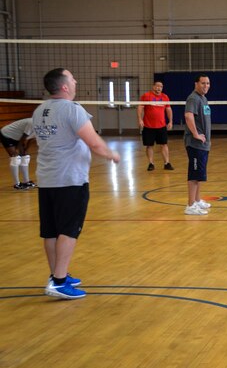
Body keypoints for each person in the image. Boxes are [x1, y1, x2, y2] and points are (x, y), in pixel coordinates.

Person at [34, 68, 121, 300]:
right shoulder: (73, 110)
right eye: (72, 78)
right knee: (69, 230)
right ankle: (60, 282)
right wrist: (112, 154)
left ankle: (56, 275)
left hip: (46, 179)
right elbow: (93, 142)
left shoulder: (39, 110)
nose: (76, 80)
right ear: (64, 86)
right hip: (70, 179)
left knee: (51, 231)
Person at [184, 74, 212, 216]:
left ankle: (196, 200)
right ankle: (190, 205)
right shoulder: (193, 98)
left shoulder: (203, 98)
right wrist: (195, 134)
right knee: (194, 174)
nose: (205, 86)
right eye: (203, 83)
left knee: (199, 174)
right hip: (195, 143)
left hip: (203, 144)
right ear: (196, 84)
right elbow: (188, 116)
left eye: (207, 83)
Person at [137, 80, 174, 171]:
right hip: (148, 126)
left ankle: (167, 163)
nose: (159, 88)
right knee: (149, 145)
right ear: (153, 86)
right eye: (157, 86)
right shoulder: (146, 96)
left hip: (161, 126)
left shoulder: (165, 97)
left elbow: (168, 109)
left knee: (164, 144)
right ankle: (151, 163)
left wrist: (170, 121)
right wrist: (140, 119)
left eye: (161, 86)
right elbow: (140, 108)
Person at [1, 118, 37, 189]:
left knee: (25, 157)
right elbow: (24, 137)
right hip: (7, 134)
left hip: (18, 137)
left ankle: (26, 182)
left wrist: (26, 149)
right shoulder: (32, 123)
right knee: (15, 158)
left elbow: (32, 137)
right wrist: (17, 149)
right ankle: (17, 184)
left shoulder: (43, 126)